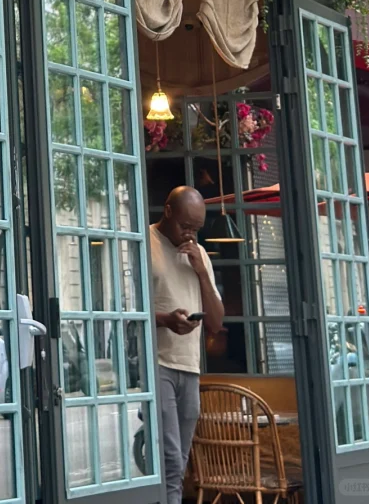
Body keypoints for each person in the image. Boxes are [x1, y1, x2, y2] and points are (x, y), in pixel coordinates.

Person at [150, 186, 224, 504]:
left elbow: (216, 322)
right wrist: (166, 320)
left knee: (180, 461)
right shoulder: (144, 243)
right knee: (169, 460)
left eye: (196, 228)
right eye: (185, 226)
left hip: (190, 366)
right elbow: (125, 311)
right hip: (157, 363)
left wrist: (202, 272)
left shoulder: (200, 255)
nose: (190, 234)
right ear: (168, 211)